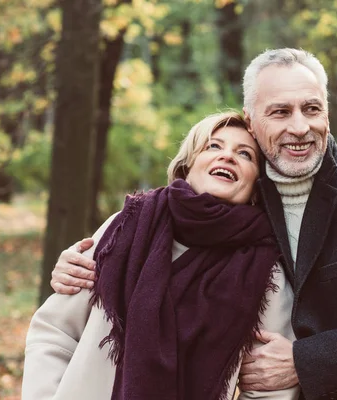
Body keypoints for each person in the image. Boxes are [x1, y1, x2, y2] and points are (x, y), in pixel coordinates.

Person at [50, 48, 337, 400]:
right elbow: (177, 226)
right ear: (251, 121)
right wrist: (88, 259)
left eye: (312, 109)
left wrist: (303, 361)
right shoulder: (243, 195)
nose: (300, 127)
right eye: (280, 111)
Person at [22, 111, 301, 400]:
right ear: (187, 166)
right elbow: (55, 332)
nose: (227, 157)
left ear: (256, 187)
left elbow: (272, 388)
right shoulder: (127, 225)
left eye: (245, 154)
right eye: (213, 146)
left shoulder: (264, 269)